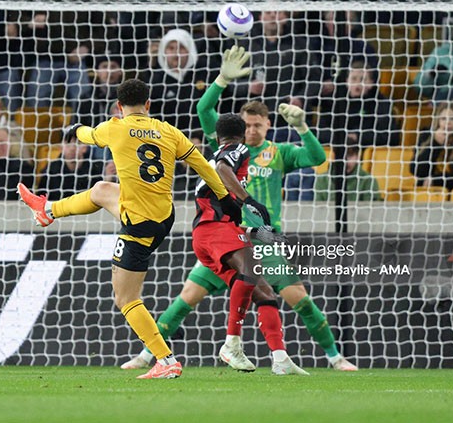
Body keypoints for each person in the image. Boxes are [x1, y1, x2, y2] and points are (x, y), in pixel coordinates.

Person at [123, 46, 357, 372]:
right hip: (227, 233)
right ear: (239, 126)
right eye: (247, 125)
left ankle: (334, 357)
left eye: (258, 125)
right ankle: (149, 355)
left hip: (264, 236)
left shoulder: (279, 152)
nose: (252, 130)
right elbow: (204, 110)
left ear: (268, 125)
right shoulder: (228, 147)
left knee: (298, 298)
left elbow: (318, 159)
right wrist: (220, 80)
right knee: (188, 296)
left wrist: (303, 127)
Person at [17, 78, 242, 379]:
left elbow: (88, 134)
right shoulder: (169, 131)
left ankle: (165, 359)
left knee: (126, 298)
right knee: (101, 190)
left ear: (119, 107)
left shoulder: (114, 127)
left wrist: (75, 129)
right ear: (148, 104)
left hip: (138, 226)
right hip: (163, 216)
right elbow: (203, 164)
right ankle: (47, 210)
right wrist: (226, 197)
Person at [188, 113, 309, 375]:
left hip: (213, 232)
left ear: (217, 136)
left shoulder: (215, 153)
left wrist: (254, 229)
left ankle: (280, 358)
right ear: (241, 135)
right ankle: (231, 343)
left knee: (265, 292)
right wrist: (249, 200)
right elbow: (222, 169)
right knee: (251, 271)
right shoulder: (237, 149)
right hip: (214, 228)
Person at [38, 130, 104, 201]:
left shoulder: (96, 169)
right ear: (61, 147)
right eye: (68, 143)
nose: (72, 148)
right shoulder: (50, 171)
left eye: (78, 143)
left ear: (85, 147)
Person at [314, 146, 382, 202]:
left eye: (350, 155)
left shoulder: (368, 180)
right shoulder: (321, 179)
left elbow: (371, 212)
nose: (345, 160)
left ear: (358, 157)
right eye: (341, 155)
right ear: (334, 156)